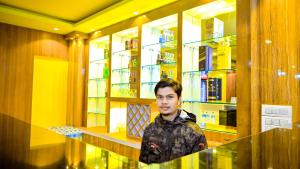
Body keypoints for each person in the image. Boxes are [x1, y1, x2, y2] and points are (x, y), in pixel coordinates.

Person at [139, 78, 207, 164]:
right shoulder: (150, 130)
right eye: (160, 97)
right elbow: (143, 164)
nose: (164, 102)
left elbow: (202, 165)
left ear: (179, 100)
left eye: (170, 97)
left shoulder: (193, 132)